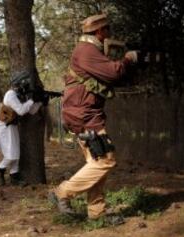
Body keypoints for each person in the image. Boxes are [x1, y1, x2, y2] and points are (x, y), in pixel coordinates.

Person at [49, 14, 137, 220]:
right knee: (105, 160)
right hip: (84, 115)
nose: (110, 33)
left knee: (96, 162)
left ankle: (97, 213)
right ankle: (61, 192)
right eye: (108, 29)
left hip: (83, 113)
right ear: (99, 32)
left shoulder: (88, 50)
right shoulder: (86, 51)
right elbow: (113, 73)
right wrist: (128, 59)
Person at [0, 71, 42, 186]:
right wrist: (32, 99)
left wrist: (40, 102)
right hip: (3, 126)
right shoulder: (10, 94)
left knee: (16, 153)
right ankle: (0, 170)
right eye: (26, 82)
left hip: (11, 125)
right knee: (11, 154)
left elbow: (31, 111)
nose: (27, 84)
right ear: (20, 83)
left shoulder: (20, 94)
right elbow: (21, 111)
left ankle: (14, 176)